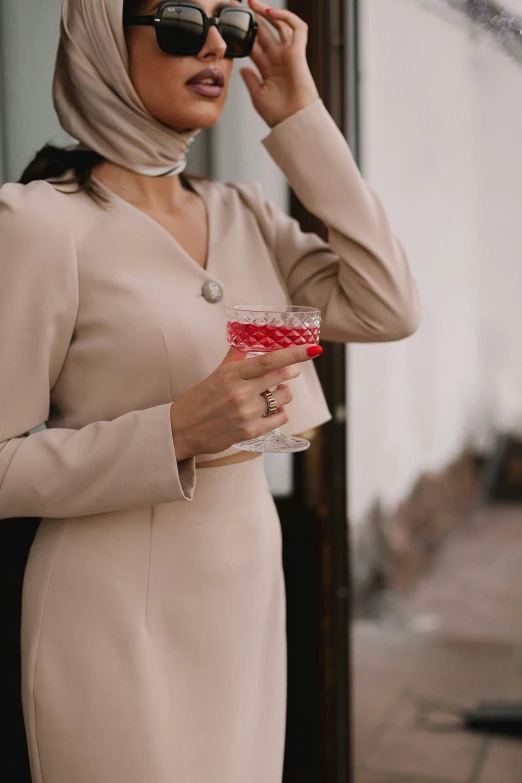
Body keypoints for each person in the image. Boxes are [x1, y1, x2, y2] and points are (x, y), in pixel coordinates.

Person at [0, 0, 421, 781]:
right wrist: (173, 433)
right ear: (102, 41)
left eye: (232, 27)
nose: (216, 48)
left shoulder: (244, 213)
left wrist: (301, 116)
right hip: (109, 605)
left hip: (246, 580)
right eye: (181, 24)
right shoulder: (36, 223)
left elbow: (388, 302)